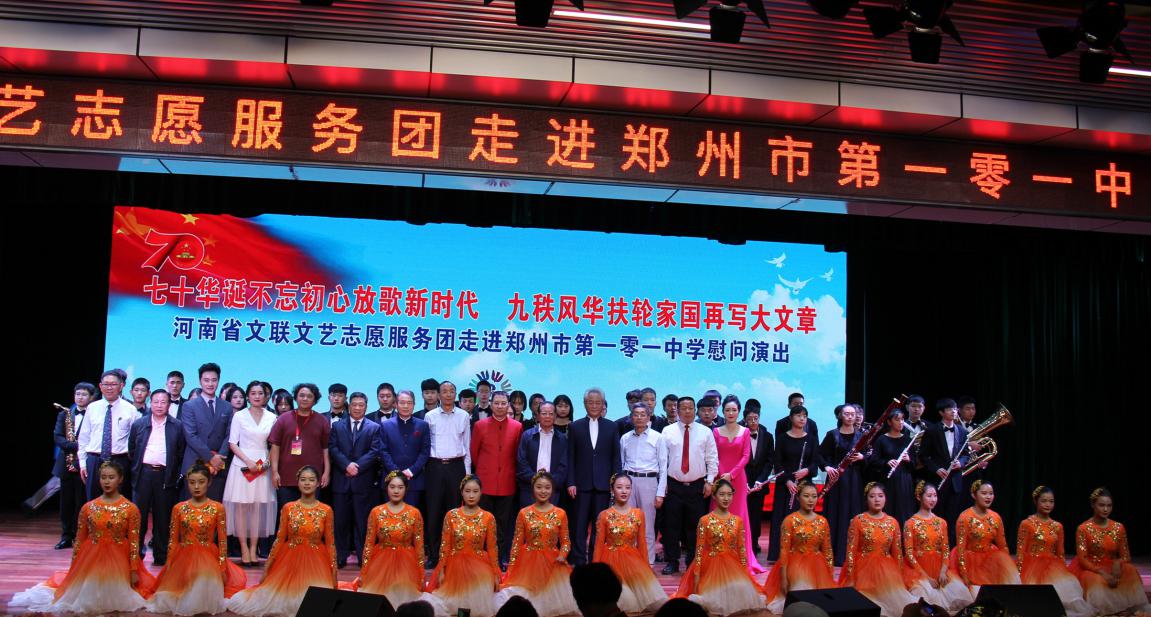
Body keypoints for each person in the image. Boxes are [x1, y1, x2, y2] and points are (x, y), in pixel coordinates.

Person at [11, 461, 155, 613]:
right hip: (91, 559)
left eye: (111, 477)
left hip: (119, 560)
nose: (107, 481)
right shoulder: (88, 508)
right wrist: (74, 569)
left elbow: (134, 542)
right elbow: (79, 541)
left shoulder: (130, 509)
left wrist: (133, 570)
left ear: (120, 479)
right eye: (103, 477)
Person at [227, 466, 337, 617]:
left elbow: (330, 543)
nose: (307, 483)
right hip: (289, 559)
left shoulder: (326, 510)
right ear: (297, 482)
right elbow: (279, 539)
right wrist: (268, 567)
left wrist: (334, 572)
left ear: (318, 483)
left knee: (317, 603)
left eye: (311, 480)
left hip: (317, 562)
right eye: (303, 480)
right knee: (280, 600)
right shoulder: (288, 508)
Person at [143, 461, 247, 615]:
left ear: (209, 482)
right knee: (171, 596)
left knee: (203, 593)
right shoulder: (179, 508)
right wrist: (169, 565)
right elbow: (173, 540)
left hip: (208, 557)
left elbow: (222, 541)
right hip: (183, 557)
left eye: (201, 482)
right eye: (192, 482)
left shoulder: (217, 508)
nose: (196, 486)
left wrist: (222, 567)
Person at [673, 479, 765, 616]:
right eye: (722, 494)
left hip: (732, 565)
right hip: (710, 565)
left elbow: (741, 550)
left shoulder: (737, 521)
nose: (726, 498)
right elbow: (699, 551)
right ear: (714, 496)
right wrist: (696, 578)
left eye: (729, 494)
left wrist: (745, 575)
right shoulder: (705, 520)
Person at [499, 471, 579, 617]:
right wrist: (511, 569)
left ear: (552, 490)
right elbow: (516, 544)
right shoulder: (524, 513)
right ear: (533, 489)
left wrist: (562, 555)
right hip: (528, 563)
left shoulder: (560, 513)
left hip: (553, 562)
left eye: (547, 487)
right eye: (539, 487)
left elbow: (566, 542)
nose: (543, 491)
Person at [424, 475, 501, 617]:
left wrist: (496, 573)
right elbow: (445, 546)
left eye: (475, 491)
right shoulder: (451, 515)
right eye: (467, 491)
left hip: (479, 565)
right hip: (455, 565)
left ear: (481, 492)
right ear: (461, 492)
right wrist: (441, 570)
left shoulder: (488, 517)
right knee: (457, 605)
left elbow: (492, 548)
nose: (471, 495)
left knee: (476, 604)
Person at [1069, 487, 1151, 616]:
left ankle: (1124, 607)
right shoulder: (1083, 528)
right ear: (1093, 505)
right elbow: (1082, 559)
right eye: (1101, 505)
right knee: (1094, 580)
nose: (1106, 509)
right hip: (1091, 568)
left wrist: (1118, 562)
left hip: (1111, 565)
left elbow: (1126, 556)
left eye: (1109, 505)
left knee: (1130, 570)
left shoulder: (1118, 527)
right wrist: (1102, 573)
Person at [660, 395, 718, 575]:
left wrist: (710, 481)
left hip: (697, 486)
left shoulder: (705, 432)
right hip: (674, 485)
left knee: (695, 527)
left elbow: (712, 458)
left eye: (690, 408)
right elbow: (662, 460)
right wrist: (663, 484)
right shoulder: (667, 431)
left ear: (695, 410)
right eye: (683, 408)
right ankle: (672, 561)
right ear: (677, 410)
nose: (687, 411)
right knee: (671, 526)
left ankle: (693, 561)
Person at [593, 474, 668, 613]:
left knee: (651, 601)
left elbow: (642, 544)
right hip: (610, 560)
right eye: (619, 487)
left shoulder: (638, 514)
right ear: (612, 490)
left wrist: (646, 568)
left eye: (627, 487)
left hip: (633, 560)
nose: (624, 491)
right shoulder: (604, 515)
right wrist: (595, 571)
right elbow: (598, 546)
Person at [838, 483, 915, 617]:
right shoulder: (858, 520)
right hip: (862, 570)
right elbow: (850, 551)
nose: (877, 500)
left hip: (887, 571)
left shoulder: (893, 522)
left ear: (885, 498)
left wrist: (901, 578)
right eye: (872, 496)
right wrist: (850, 577)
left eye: (880, 496)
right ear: (866, 499)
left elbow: (897, 554)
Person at [128, 389, 186, 566]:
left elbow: (180, 452)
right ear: (150, 403)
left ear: (169, 405)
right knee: (139, 516)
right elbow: (132, 450)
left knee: (163, 518)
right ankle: (136, 555)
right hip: (143, 474)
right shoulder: (139, 424)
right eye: (156, 402)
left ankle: (161, 555)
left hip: (165, 476)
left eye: (163, 402)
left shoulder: (177, 426)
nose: (159, 405)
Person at [224, 379, 277, 567]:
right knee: (241, 507)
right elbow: (232, 443)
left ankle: (254, 548)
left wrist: (266, 463)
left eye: (260, 393)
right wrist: (248, 461)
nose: (257, 396)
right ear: (248, 396)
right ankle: (243, 548)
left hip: (263, 466)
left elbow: (274, 444)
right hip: (242, 465)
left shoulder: (272, 417)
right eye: (253, 393)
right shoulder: (239, 416)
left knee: (256, 508)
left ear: (266, 396)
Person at [762, 481, 835, 615]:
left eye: (814, 496)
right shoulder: (789, 520)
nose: (811, 500)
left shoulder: (823, 521)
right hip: (795, 565)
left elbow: (828, 551)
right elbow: (784, 550)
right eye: (806, 496)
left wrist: (829, 574)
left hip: (817, 567)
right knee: (800, 599)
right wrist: (784, 577)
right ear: (798, 497)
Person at [1016, 486, 1092, 617]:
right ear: (1035, 501)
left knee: (1065, 596)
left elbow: (1060, 553)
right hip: (1031, 568)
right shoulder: (1026, 524)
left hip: (1053, 567)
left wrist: (1064, 573)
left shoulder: (1058, 526)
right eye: (1044, 501)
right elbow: (1021, 551)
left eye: (1051, 501)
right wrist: (1019, 574)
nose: (1048, 504)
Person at [566, 387, 620, 565]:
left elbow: (616, 457)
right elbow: (570, 457)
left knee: (599, 526)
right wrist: (571, 482)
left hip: (604, 485)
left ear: (603, 404)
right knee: (579, 526)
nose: (594, 406)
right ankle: (579, 561)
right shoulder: (575, 427)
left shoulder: (612, 427)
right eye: (591, 402)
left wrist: (615, 484)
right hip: (581, 485)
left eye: (598, 402)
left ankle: (595, 560)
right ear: (584, 404)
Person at [355, 471, 426, 608]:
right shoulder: (376, 512)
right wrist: (364, 572)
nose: (396, 491)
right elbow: (369, 544)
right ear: (386, 488)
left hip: (406, 563)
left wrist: (422, 574)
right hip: (380, 562)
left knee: (404, 602)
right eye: (392, 487)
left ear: (406, 489)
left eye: (400, 487)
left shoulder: (414, 513)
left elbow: (419, 546)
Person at [712, 395, 765, 575]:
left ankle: (740, 557)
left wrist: (731, 474)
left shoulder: (745, 431)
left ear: (738, 412)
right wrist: (722, 475)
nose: (731, 413)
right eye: (727, 410)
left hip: (738, 479)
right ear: (723, 411)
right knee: (719, 515)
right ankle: (719, 556)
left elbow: (746, 456)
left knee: (739, 516)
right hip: (719, 478)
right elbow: (714, 455)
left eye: (734, 410)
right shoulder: (716, 432)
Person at [902, 481, 973, 613]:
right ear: (919, 497)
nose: (933, 499)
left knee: (958, 593)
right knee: (926, 600)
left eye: (935, 495)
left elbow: (945, 550)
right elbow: (909, 554)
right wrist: (926, 577)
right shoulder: (910, 523)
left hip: (940, 567)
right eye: (929, 496)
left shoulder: (941, 522)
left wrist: (943, 572)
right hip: (919, 570)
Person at [473, 389, 525, 567]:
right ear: (491, 404)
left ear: (508, 405)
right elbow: (474, 453)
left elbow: (517, 455)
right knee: (483, 522)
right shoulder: (480, 425)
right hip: (485, 482)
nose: (500, 406)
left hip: (507, 482)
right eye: (497, 403)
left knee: (502, 524)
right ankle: (483, 557)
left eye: (503, 403)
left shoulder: (517, 427)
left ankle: (500, 557)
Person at [330, 391, 382, 568]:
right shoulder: (337, 426)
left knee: (362, 522)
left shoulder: (374, 427)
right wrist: (347, 465)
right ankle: (341, 556)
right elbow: (333, 448)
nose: (358, 408)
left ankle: (362, 556)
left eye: (361, 405)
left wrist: (357, 467)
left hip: (363, 481)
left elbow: (374, 451)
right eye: (354, 404)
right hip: (341, 480)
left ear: (366, 407)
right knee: (340, 522)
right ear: (349, 406)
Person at [424, 380, 471, 567]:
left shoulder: (464, 416)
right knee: (434, 512)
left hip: (456, 467)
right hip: (435, 467)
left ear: (455, 394)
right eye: (444, 391)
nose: (448, 394)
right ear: (438, 395)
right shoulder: (430, 416)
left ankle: (452, 554)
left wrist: (467, 474)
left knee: (454, 512)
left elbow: (467, 446)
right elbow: (426, 445)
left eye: (452, 391)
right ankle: (434, 556)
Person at [767, 405, 821, 562]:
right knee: (782, 519)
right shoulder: (782, 438)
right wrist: (788, 481)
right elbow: (777, 463)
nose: (802, 418)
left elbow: (815, 464)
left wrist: (806, 471)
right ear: (791, 418)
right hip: (785, 485)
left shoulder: (811, 439)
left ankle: (802, 551)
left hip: (804, 486)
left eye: (805, 416)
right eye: (799, 415)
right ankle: (780, 554)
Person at [949, 479, 1020, 594]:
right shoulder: (964, 517)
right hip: (970, 561)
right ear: (974, 495)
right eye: (984, 493)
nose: (988, 497)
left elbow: (1003, 546)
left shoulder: (996, 517)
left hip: (990, 561)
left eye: (991, 493)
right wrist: (964, 573)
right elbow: (961, 549)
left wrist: (1007, 567)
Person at [77, 369, 138, 499]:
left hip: (119, 460)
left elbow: (135, 440)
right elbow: (84, 437)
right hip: (94, 460)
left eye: (113, 384)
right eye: (106, 384)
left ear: (121, 386)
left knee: (118, 502)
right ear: (100, 386)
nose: (109, 388)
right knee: (93, 501)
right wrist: (82, 462)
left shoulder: (130, 409)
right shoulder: (92, 407)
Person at [619, 402, 667, 564]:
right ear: (631, 417)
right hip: (629, 482)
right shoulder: (625, 438)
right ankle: (630, 560)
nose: (639, 417)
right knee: (628, 522)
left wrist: (660, 493)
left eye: (642, 414)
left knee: (647, 524)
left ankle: (648, 561)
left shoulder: (657, 437)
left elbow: (663, 467)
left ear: (648, 417)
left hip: (649, 481)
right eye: (636, 414)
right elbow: (621, 463)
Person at [269, 383, 331, 507]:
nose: (305, 399)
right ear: (296, 398)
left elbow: (326, 449)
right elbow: (275, 447)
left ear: (315, 400)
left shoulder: (322, 421)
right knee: (287, 513)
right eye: (301, 395)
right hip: (286, 477)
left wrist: (326, 472)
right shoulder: (283, 419)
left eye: (309, 396)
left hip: (313, 478)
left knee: (310, 513)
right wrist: (274, 472)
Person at [917, 399, 969, 543]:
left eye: (955, 409)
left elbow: (966, 454)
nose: (954, 412)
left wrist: (961, 462)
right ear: (941, 412)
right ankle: (936, 545)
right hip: (938, 480)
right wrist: (936, 469)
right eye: (950, 409)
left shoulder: (962, 431)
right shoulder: (932, 431)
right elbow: (923, 455)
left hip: (955, 481)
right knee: (937, 514)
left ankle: (950, 548)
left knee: (953, 517)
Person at [179, 362, 232, 501]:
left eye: (214, 380)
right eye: (206, 380)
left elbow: (229, 435)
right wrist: (210, 457)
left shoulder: (226, 406)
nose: (210, 384)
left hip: (218, 466)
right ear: (200, 381)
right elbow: (190, 436)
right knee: (193, 508)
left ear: (218, 381)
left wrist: (219, 457)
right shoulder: (189, 406)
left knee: (215, 506)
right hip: (195, 463)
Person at [820, 404, 864, 566]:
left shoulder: (861, 436)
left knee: (852, 514)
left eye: (853, 414)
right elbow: (820, 455)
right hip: (836, 480)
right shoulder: (832, 435)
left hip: (854, 480)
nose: (850, 417)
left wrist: (862, 457)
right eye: (847, 414)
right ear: (840, 416)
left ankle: (850, 555)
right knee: (835, 514)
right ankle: (833, 555)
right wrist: (827, 467)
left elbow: (870, 457)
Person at [54, 381, 94, 550]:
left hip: (84, 463)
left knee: (81, 501)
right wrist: (74, 446)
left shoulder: (94, 414)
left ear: (92, 397)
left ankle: (81, 536)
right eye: (77, 394)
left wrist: (80, 449)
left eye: (84, 394)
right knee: (66, 502)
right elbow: (58, 436)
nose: (80, 397)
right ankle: (66, 536)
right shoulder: (65, 414)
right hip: (66, 462)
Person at [378, 389, 431, 507]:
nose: (406, 406)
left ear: (414, 404)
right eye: (402, 402)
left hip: (414, 480)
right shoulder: (386, 425)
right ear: (396, 404)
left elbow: (425, 452)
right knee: (390, 515)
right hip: (390, 480)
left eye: (409, 403)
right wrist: (396, 473)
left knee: (412, 515)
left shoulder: (423, 425)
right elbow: (383, 451)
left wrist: (411, 471)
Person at [517, 400, 568, 506]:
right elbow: (521, 462)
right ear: (538, 416)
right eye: (544, 413)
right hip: (529, 488)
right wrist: (536, 480)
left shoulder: (562, 439)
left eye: (551, 414)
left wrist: (549, 482)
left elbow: (564, 465)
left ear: (555, 416)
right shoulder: (527, 435)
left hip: (552, 490)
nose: (547, 416)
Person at [870, 408, 916, 524]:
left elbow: (914, 465)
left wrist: (908, 460)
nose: (901, 422)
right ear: (889, 422)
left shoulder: (908, 439)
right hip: (888, 480)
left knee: (904, 510)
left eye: (902, 419)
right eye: (897, 419)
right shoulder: (881, 439)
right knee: (889, 509)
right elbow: (874, 461)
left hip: (904, 480)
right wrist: (886, 462)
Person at [742, 400, 774, 556]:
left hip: (759, 484)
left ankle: (754, 542)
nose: (753, 421)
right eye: (750, 419)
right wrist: (744, 481)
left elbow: (769, 461)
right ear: (745, 420)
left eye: (756, 418)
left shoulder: (768, 436)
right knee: (743, 514)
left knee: (756, 515)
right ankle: (742, 542)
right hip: (742, 482)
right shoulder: (740, 434)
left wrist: (760, 480)